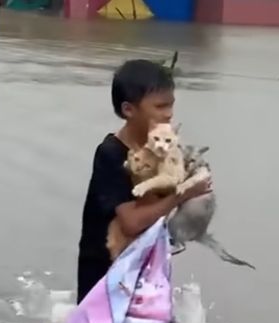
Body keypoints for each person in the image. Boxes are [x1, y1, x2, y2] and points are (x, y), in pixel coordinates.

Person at [76, 59, 212, 304]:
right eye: (160, 106)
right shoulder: (111, 154)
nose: (169, 113)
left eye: (171, 105)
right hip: (105, 278)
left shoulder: (166, 148)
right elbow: (131, 223)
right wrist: (183, 194)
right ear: (129, 110)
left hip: (146, 269)